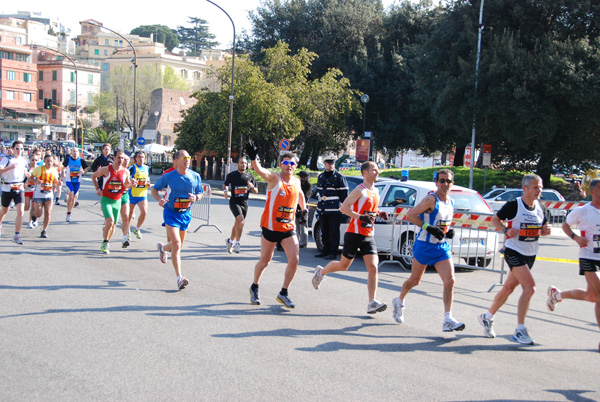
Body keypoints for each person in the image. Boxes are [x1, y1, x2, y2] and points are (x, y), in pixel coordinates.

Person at [477, 174, 551, 345]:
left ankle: (487, 317)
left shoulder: (541, 207)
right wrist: (505, 230)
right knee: (530, 288)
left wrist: (545, 230)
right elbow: (495, 219)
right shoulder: (514, 205)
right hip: (513, 251)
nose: (538, 191)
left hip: (530, 253)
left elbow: (541, 229)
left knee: (508, 288)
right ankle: (520, 330)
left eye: (540, 187)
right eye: (535, 187)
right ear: (525, 189)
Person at [391, 169, 465, 332]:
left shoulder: (451, 202)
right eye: (442, 181)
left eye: (449, 181)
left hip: (441, 247)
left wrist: (448, 231)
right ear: (436, 182)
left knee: (450, 281)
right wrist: (428, 227)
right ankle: (399, 300)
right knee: (415, 281)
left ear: (452, 183)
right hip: (424, 246)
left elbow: (444, 224)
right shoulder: (431, 199)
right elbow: (410, 215)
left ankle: (448, 318)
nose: (445, 184)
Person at [312, 161, 389, 314]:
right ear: (365, 173)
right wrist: (360, 217)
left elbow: (370, 208)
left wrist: (379, 213)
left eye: (378, 170)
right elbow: (344, 208)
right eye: (374, 170)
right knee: (343, 265)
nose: (377, 172)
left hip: (368, 234)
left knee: (373, 267)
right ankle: (320, 273)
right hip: (354, 233)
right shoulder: (359, 190)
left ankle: (372, 302)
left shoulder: (376, 191)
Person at [245, 141, 307, 308]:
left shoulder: (296, 181)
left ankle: (284, 292)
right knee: (265, 261)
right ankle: (254, 286)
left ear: (295, 166)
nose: (289, 165)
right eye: (286, 163)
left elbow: (300, 194)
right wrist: (253, 158)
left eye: (292, 163)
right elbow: (260, 171)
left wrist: (304, 209)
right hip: (271, 227)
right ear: (281, 165)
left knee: (294, 260)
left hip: (288, 228)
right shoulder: (274, 178)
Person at [547, 178, 600, 353]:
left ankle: (557, 295)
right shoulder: (582, 211)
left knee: (591, 296)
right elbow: (565, 225)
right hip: (588, 257)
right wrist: (576, 238)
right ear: (592, 191)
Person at [151, 150, 203, 290]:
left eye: (188, 157)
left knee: (177, 246)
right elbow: (154, 190)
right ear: (176, 161)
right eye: (183, 158)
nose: (187, 160)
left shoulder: (195, 176)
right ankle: (179, 278)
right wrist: (160, 199)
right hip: (171, 213)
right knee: (176, 243)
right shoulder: (168, 177)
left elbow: (200, 193)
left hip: (185, 214)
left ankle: (162, 248)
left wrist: (196, 198)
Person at [91, 150, 133, 254]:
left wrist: (132, 183)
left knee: (113, 225)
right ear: (114, 158)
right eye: (118, 158)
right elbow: (94, 176)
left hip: (117, 200)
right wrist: (97, 188)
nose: (120, 160)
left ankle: (107, 241)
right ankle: (105, 242)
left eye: (122, 158)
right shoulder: (106, 169)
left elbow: (126, 185)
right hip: (106, 199)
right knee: (109, 221)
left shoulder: (125, 171)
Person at [314, 156, 348, 259]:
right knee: (324, 231)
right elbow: (319, 192)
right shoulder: (320, 177)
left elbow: (344, 194)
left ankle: (333, 253)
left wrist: (341, 206)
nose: (331, 165)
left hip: (334, 209)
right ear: (325, 164)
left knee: (334, 232)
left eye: (332, 163)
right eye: (329, 163)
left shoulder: (339, 177)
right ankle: (325, 250)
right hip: (323, 209)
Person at [223, 157, 258, 253]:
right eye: (242, 163)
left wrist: (252, 187)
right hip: (234, 202)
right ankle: (237, 243)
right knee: (241, 222)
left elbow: (256, 191)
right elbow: (225, 185)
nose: (244, 165)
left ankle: (230, 240)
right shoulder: (232, 175)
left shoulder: (250, 176)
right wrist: (226, 191)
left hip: (244, 203)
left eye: (245, 163)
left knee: (237, 223)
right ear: (237, 164)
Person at [0, 141, 30, 244]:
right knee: (4, 211)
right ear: (12, 149)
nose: (19, 151)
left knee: (21, 211)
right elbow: (0, 170)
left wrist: (27, 174)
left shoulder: (23, 160)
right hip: (7, 188)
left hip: (19, 188)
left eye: (21, 149)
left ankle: (17, 235)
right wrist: (11, 167)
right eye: (17, 148)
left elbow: (25, 171)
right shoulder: (7, 159)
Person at [31, 154, 59, 238]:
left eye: (51, 161)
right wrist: (36, 181)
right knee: (38, 214)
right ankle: (34, 214)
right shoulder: (38, 169)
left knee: (48, 212)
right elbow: (31, 178)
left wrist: (57, 186)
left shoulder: (54, 170)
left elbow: (55, 182)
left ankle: (44, 230)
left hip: (49, 195)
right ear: (44, 161)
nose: (49, 163)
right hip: (39, 194)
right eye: (47, 161)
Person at [128, 150, 151, 240]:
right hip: (132, 194)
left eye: (143, 157)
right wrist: (131, 181)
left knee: (144, 212)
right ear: (135, 158)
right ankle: (128, 231)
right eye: (139, 157)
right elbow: (125, 178)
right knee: (130, 214)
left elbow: (147, 178)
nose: (141, 159)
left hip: (142, 194)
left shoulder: (147, 168)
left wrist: (148, 182)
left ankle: (137, 229)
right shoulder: (132, 168)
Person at [63, 147, 88, 223]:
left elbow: (86, 168)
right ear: (71, 152)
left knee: (73, 198)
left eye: (76, 151)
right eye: (73, 151)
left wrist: (83, 171)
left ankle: (70, 211)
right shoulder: (68, 160)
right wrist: (62, 174)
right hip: (69, 180)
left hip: (77, 181)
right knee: (71, 195)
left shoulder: (81, 161)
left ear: (78, 153)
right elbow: (63, 168)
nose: (75, 153)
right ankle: (68, 213)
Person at [296, 171, 312, 248]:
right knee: (297, 225)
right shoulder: (297, 185)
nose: (298, 178)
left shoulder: (308, 186)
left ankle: (303, 242)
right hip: (296, 207)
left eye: (299, 176)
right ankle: (296, 241)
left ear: (303, 177)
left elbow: (306, 197)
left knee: (303, 224)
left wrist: (302, 207)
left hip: (304, 207)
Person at [25, 153, 41, 229]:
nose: (34, 161)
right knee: (26, 207)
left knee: (34, 207)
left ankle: (31, 221)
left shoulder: (39, 168)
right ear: (30, 160)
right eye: (32, 160)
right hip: (27, 190)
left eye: (36, 160)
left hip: (35, 190)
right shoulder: (27, 168)